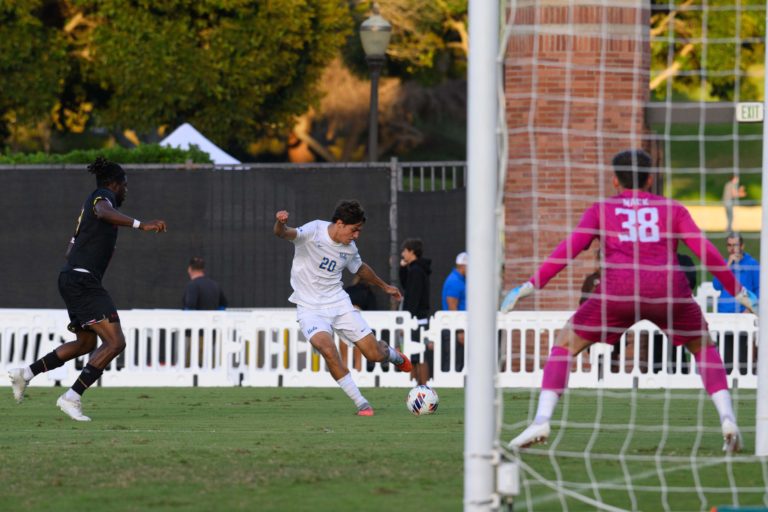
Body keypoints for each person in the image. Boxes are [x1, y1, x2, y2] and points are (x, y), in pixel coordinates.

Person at [501, 149, 756, 453]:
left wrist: (531, 285)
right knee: (703, 346)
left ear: (615, 181)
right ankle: (727, 419)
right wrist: (740, 292)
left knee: (566, 343)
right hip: (668, 291)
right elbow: (707, 252)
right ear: (650, 179)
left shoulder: (601, 209)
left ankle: (542, 420)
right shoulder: (672, 208)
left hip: (618, 292)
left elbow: (568, 249)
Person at [8, 157, 167, 421]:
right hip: (82, 281)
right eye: (125, 185)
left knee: (86, 343)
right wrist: (142, 225)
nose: (126, 190)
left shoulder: (90, 209)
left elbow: (70, 249)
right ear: (114, 184)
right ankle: (71, 397)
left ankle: (26, 373)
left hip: (72, 278)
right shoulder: (103, 197)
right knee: (115, 342)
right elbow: (103, 211)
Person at [273, 200, 411, 416]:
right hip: (309, 308)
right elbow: (283, 233)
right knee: (327, 349)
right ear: (339, 223)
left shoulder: (350, 248)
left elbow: (360, 269)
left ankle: (394, 355)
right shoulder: (314, 230)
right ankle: (362, 403)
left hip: (339, 303)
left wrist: (385, 286)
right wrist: (280, 223)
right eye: (354, 230)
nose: (356, 235)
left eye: (359, 231)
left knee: (374, 355)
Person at [712, 233, 759, 374]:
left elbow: (760, 290)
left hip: (744, 315)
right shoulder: (724, 263)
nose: (733, 248)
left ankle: (746, 380)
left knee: (743, 358)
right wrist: (727, 266)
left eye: (736, 245)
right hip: (725, 315)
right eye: (729, 245)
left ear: (742, 246)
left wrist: (749, 309)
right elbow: (716, 286)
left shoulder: (752, 264)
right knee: (726, 358)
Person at [399, 238, 432, 384]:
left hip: (416, 320)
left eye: (404, 251)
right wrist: (402, 268)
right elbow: (406, 287)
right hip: (417, 319)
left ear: (411, 252)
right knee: (414, 356)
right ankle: (418, 388)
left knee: (419, 356)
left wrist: (407, 320)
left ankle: (423, 388)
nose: (402, 254)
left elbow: (413, 297)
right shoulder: (415, 269)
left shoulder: (417, 271)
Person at [441, 252, 467, 372]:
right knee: (454, 363)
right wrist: (460, 331)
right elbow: (452, 306)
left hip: (457, 327)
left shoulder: (460, 280)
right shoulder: (455, 281)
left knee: (459, 362)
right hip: (453, 328)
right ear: (463, 266)